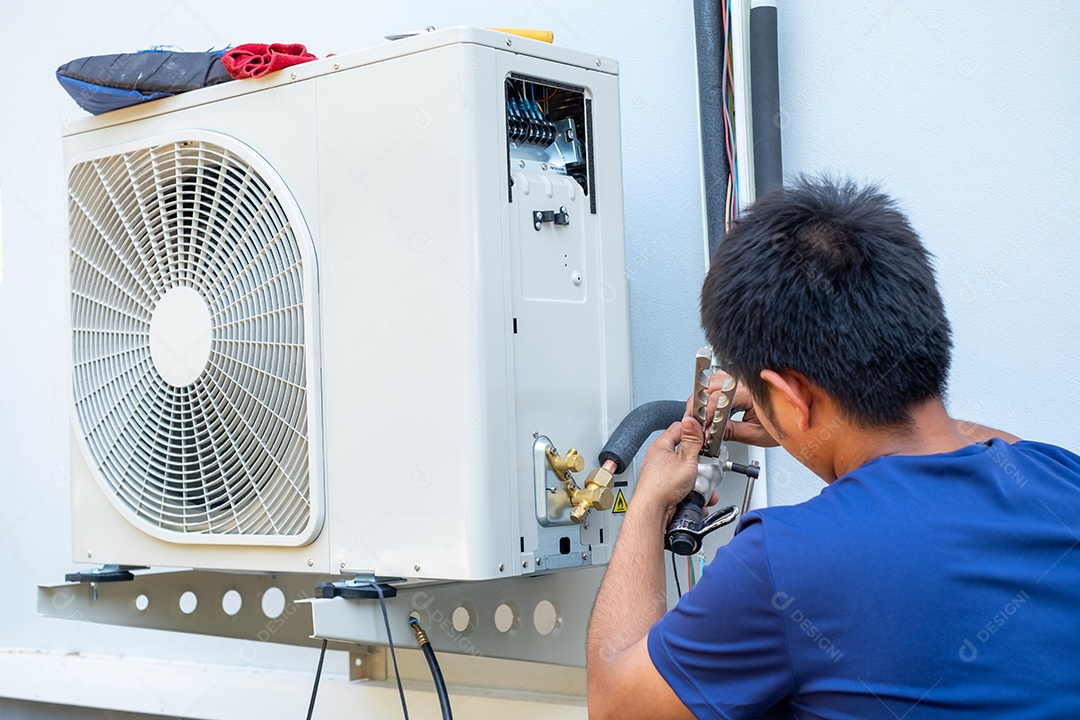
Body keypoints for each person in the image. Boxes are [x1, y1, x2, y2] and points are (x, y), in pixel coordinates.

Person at [586, 177, 1080, 719]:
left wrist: (649, 501)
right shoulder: (1060, 480)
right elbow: (970, 442)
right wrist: (808, 419)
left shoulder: (781, 564)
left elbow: (615, 705)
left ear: (792, 397)